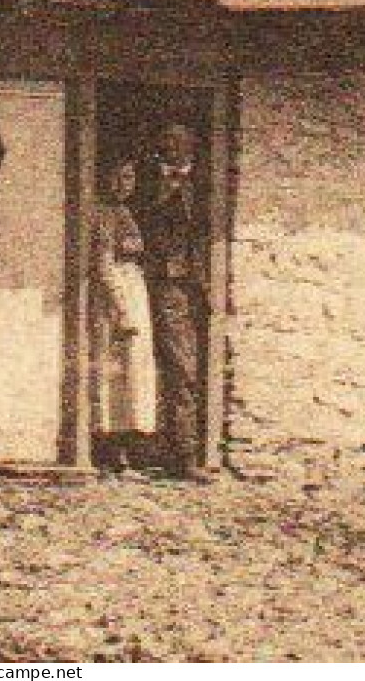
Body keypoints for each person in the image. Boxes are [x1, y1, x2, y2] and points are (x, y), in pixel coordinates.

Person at [139, 121, 213, 483]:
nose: (173, 147)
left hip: (190, 286)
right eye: (167, 140)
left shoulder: (205, 186)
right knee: (160, 366)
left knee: (186, 368)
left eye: (181, 141)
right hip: (154, 283)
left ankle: (182, 451)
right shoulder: (146, 182)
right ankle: (167, 451)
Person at [95, 159, 157, 474]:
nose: (125, 183)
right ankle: (113, 453)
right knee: (118, 374)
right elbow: (105, 266)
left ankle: (132, 451)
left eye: (131, 176)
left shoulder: (126, 212)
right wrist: (121, 309)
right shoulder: (104, 214)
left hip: (135, 288)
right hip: (119, 296)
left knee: (136, 373)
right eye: (118, 176)